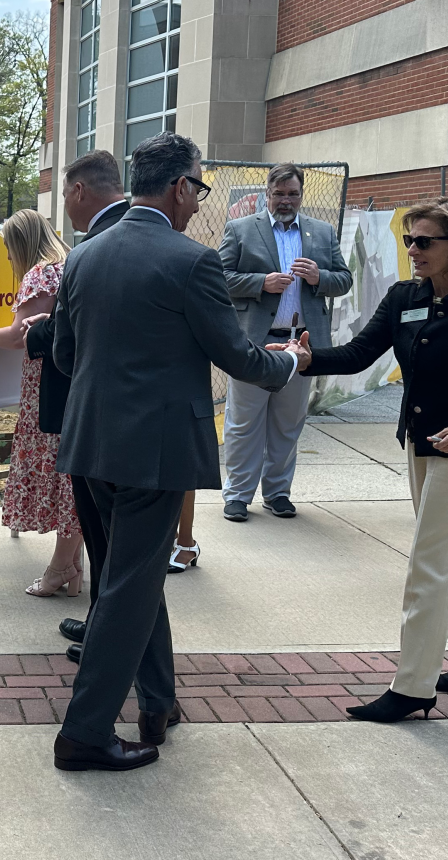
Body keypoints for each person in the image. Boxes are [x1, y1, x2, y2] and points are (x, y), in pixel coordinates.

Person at [51, 131, 309, 770]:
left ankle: (157, 703)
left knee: (132, 580)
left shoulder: (83, 256)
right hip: (155, 452)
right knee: (129, 588)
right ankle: (84, 734)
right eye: (198, 188)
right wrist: (289, 360)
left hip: (90, 443)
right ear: (179, 187)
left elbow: (62, 356)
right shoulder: (191, 261)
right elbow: (238, 357)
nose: (198, 202)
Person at [282, 197, 448, 722]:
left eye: (425, 241)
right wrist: (307, 359)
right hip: (418, 441)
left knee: (429, 563)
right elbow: (360, 352)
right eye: (410, 240)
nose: (413, 250)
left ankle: (413, 686)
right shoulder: (405, 296)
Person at [23, 150, 128, 662]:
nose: (62, 204)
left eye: (64, 193)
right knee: (111, 543)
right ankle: (101, 626)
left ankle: (112, 649)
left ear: (81, 191)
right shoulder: (124, 242)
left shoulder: (90, 253)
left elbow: (69, 343)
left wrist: (36, 333)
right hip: (122, 419)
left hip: (99, 418)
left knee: (115, 545)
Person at [217, 163, 352, 522]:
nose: (286, 200)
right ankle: (237, 496)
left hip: (301, 348)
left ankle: (277, 492)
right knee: (244, 424)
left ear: (301, 194)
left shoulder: (322, 233)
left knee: (288, 424)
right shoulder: (241, 230)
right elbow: (219, 277)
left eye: (292, 193)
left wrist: (319, 277)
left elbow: (344, 280)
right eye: (279, 194)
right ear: (268, 194)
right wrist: (260, 282)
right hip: (256, 345)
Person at [0, 209, 82, 597]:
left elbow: (20, 336)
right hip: (74, 380)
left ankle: (60, 568)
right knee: (72, 473)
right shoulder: (70, 264)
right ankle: (74, 566)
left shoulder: (40, 273)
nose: (5, 258)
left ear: (20, 243)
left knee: (58, 467)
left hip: (48, 385)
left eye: (7, 248)